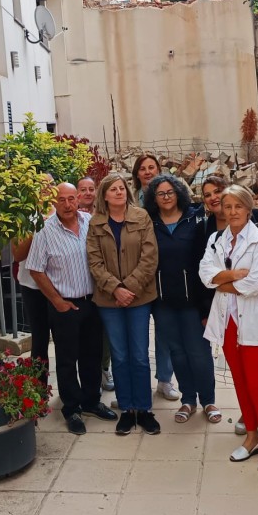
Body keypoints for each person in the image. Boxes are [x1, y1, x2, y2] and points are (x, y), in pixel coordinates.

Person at [25, 183, 117, 434]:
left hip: (93, 302)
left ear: (78, 200)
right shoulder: (45, 230)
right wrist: (56, 300)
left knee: (93, 354)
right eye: (61, 200)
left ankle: (91, 401)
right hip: (65, 305)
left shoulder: (90, 222)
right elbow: (35, 268)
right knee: (67, 359)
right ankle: (72, 408)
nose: (67, 204)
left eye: (71, 199)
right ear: (54, 203)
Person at [203, 174, 258, 439]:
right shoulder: (215, 240)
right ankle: (252, 435)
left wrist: (219, 282)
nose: (232, 212)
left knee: (257, 381)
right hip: (227, 318)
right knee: (239, 381)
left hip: (253, 319)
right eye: (227, 207)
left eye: (238, 206)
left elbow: (254, 285)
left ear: (248, 207)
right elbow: (205, 274)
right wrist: (231, 276)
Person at [87, 171, 160, 436]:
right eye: (113, 189)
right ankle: (127, 410)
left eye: (121, 188)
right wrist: (115, 289)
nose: (119, 192)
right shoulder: (95, 223)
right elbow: (94, 262)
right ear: (104, 195)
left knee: (139, 355)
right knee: (119, 355)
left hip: (139, 298)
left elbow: (150, 256)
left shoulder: (141, 217)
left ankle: (144, 409)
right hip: (109, 300)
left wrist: (128, 287)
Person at [145, 173, 220, 424]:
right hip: (163, 301)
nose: (166, 197)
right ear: (154, 198)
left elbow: (205, 262)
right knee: (176, 351)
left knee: (199, 351)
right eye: (160, 193)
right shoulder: (149, 223)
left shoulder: (196, 219)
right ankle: (188, 399)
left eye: (170, 192)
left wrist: (207, 306)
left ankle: (208, 400)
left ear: (178, 192)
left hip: (193, 300)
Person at [131, 154, 180, 402]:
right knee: (136, 335)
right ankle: (134, 383)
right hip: (135, 274)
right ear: (137, 173)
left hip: (162, 274)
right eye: (143, 168)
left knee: (164, 331)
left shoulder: (170, 197)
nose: (148, 171)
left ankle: (164, 380)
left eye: (152, 167)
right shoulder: (130, 198)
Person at [12, 175, 57, 369]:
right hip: (32, 287)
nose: (46, 189)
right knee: (39, 339)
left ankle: (68, 389)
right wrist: (38, 226)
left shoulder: (62, 212)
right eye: (41, 186)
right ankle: (39, 388)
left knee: (64, 339)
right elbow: (17, 255)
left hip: (60, 286)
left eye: (50, 184)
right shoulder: (23, 217)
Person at [79, 175, 115, 392]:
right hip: (81, 285)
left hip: (103, 284)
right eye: (83, 189)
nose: (88, 193)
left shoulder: (104, 216)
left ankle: (104, 368)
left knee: (105, 333)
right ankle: (89, 375)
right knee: (85, 334)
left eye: (92, 188)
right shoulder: (70, 217)